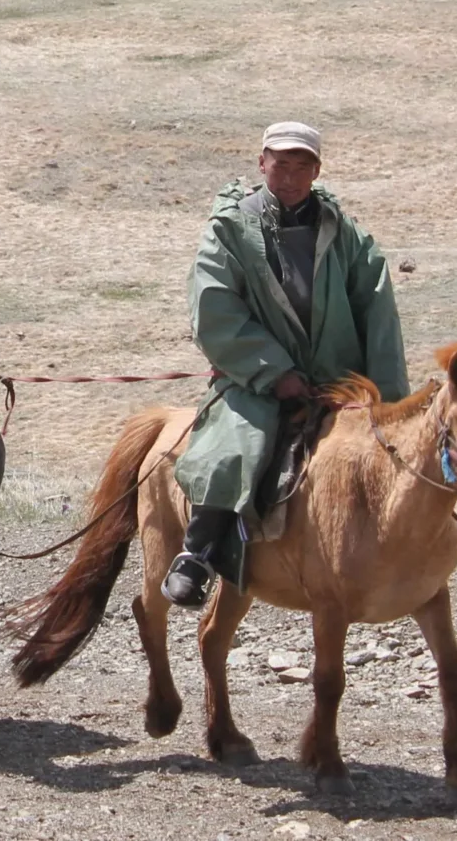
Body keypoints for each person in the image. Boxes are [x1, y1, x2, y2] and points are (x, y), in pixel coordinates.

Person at [164, 121, 408, 610]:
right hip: (256, 381)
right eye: (281, 164)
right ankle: (199, 552)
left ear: (316, 171)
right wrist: (275, 373)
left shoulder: (345, 234)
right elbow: (215, 311)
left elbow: (377, 308)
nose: (290, 176)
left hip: (339, 381)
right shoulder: (229, 231)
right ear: (261, 163)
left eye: (302, 166)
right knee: (233, 448)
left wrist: (387, 396)